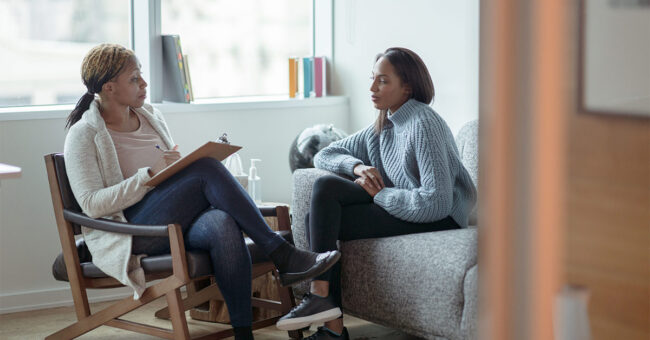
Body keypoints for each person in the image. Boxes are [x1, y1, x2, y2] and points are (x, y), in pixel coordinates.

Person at [63, 43, 341, 340]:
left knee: (221, 223)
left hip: (170, 220)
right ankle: (282, 255)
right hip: (130, 231)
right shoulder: (84, 134)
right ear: (109, 88)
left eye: (141, 75)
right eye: (134, 79)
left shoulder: (150, 115)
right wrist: (149, 175)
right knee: (206, 168)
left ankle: (243, 334)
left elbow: (167, 178)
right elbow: (91, 205)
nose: (143, 83)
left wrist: (172, 170)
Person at [275, 47, 477, 339]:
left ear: (407, 87)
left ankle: (327, 318)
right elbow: (325, 155)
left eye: (383, 81)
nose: (372, 88)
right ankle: (327, 314)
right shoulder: (384, 124)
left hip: (441, 217)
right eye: (373, 79)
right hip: (404, 203)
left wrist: (380, 195)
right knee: (323, 196)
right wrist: (357, 167)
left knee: (319, 218)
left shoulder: (424, 123)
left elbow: (437, 202)